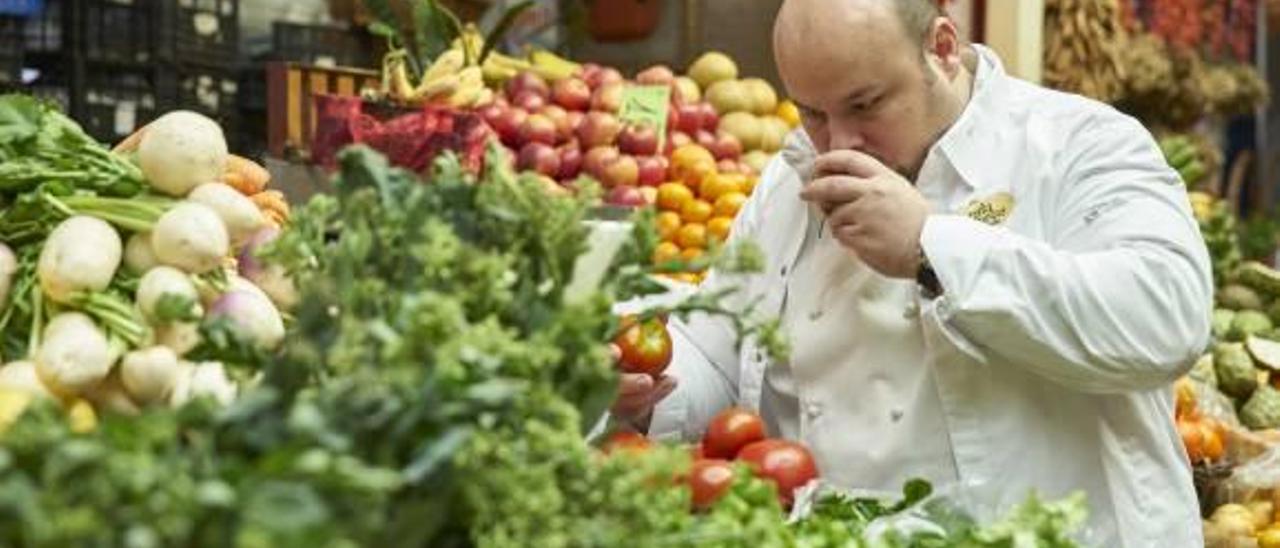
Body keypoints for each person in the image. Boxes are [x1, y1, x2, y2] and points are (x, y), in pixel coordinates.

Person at [611, 0, 1213, 545]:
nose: (839, 142)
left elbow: (1166, 318)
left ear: (943, 49)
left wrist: (931, 249)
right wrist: (648, 388)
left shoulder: (1078, 144)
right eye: (812, 113)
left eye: (865, 104)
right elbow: (719, 351)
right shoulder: (787, 183)